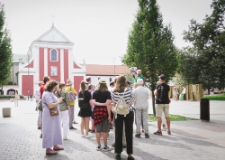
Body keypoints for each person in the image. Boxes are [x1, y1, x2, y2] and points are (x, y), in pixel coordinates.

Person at [111, 75, 135, 160]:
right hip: (128, 112)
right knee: (129, 132)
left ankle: (118, 153)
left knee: (118, 133)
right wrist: (127, 105)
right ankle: (129, 154)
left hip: (118, 114)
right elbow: (132, 101)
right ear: (125, 81)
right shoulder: (129, 90)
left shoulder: (113, 91)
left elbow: (113, 103)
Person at [42, 80, 64, 155]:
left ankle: (55, 144)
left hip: (53, 115)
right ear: (51, 87)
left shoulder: (50, 93)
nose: (56, 89)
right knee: (48, 130)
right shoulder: (47, 94)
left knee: (55, 129)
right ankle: (48, 148)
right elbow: (50, 105)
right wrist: (59, 101)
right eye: (55, 87)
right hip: (48, 115)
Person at [92, 78, 112, 152]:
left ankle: (98, 146)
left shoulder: (95, 92)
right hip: (105, 112)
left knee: (98, 130)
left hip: (97, 111)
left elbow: (94, 102)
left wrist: (100, 104)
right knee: (105, 130)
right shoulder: (107, 93)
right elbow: (108, 104)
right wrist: (109, 115)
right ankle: (105, 146)